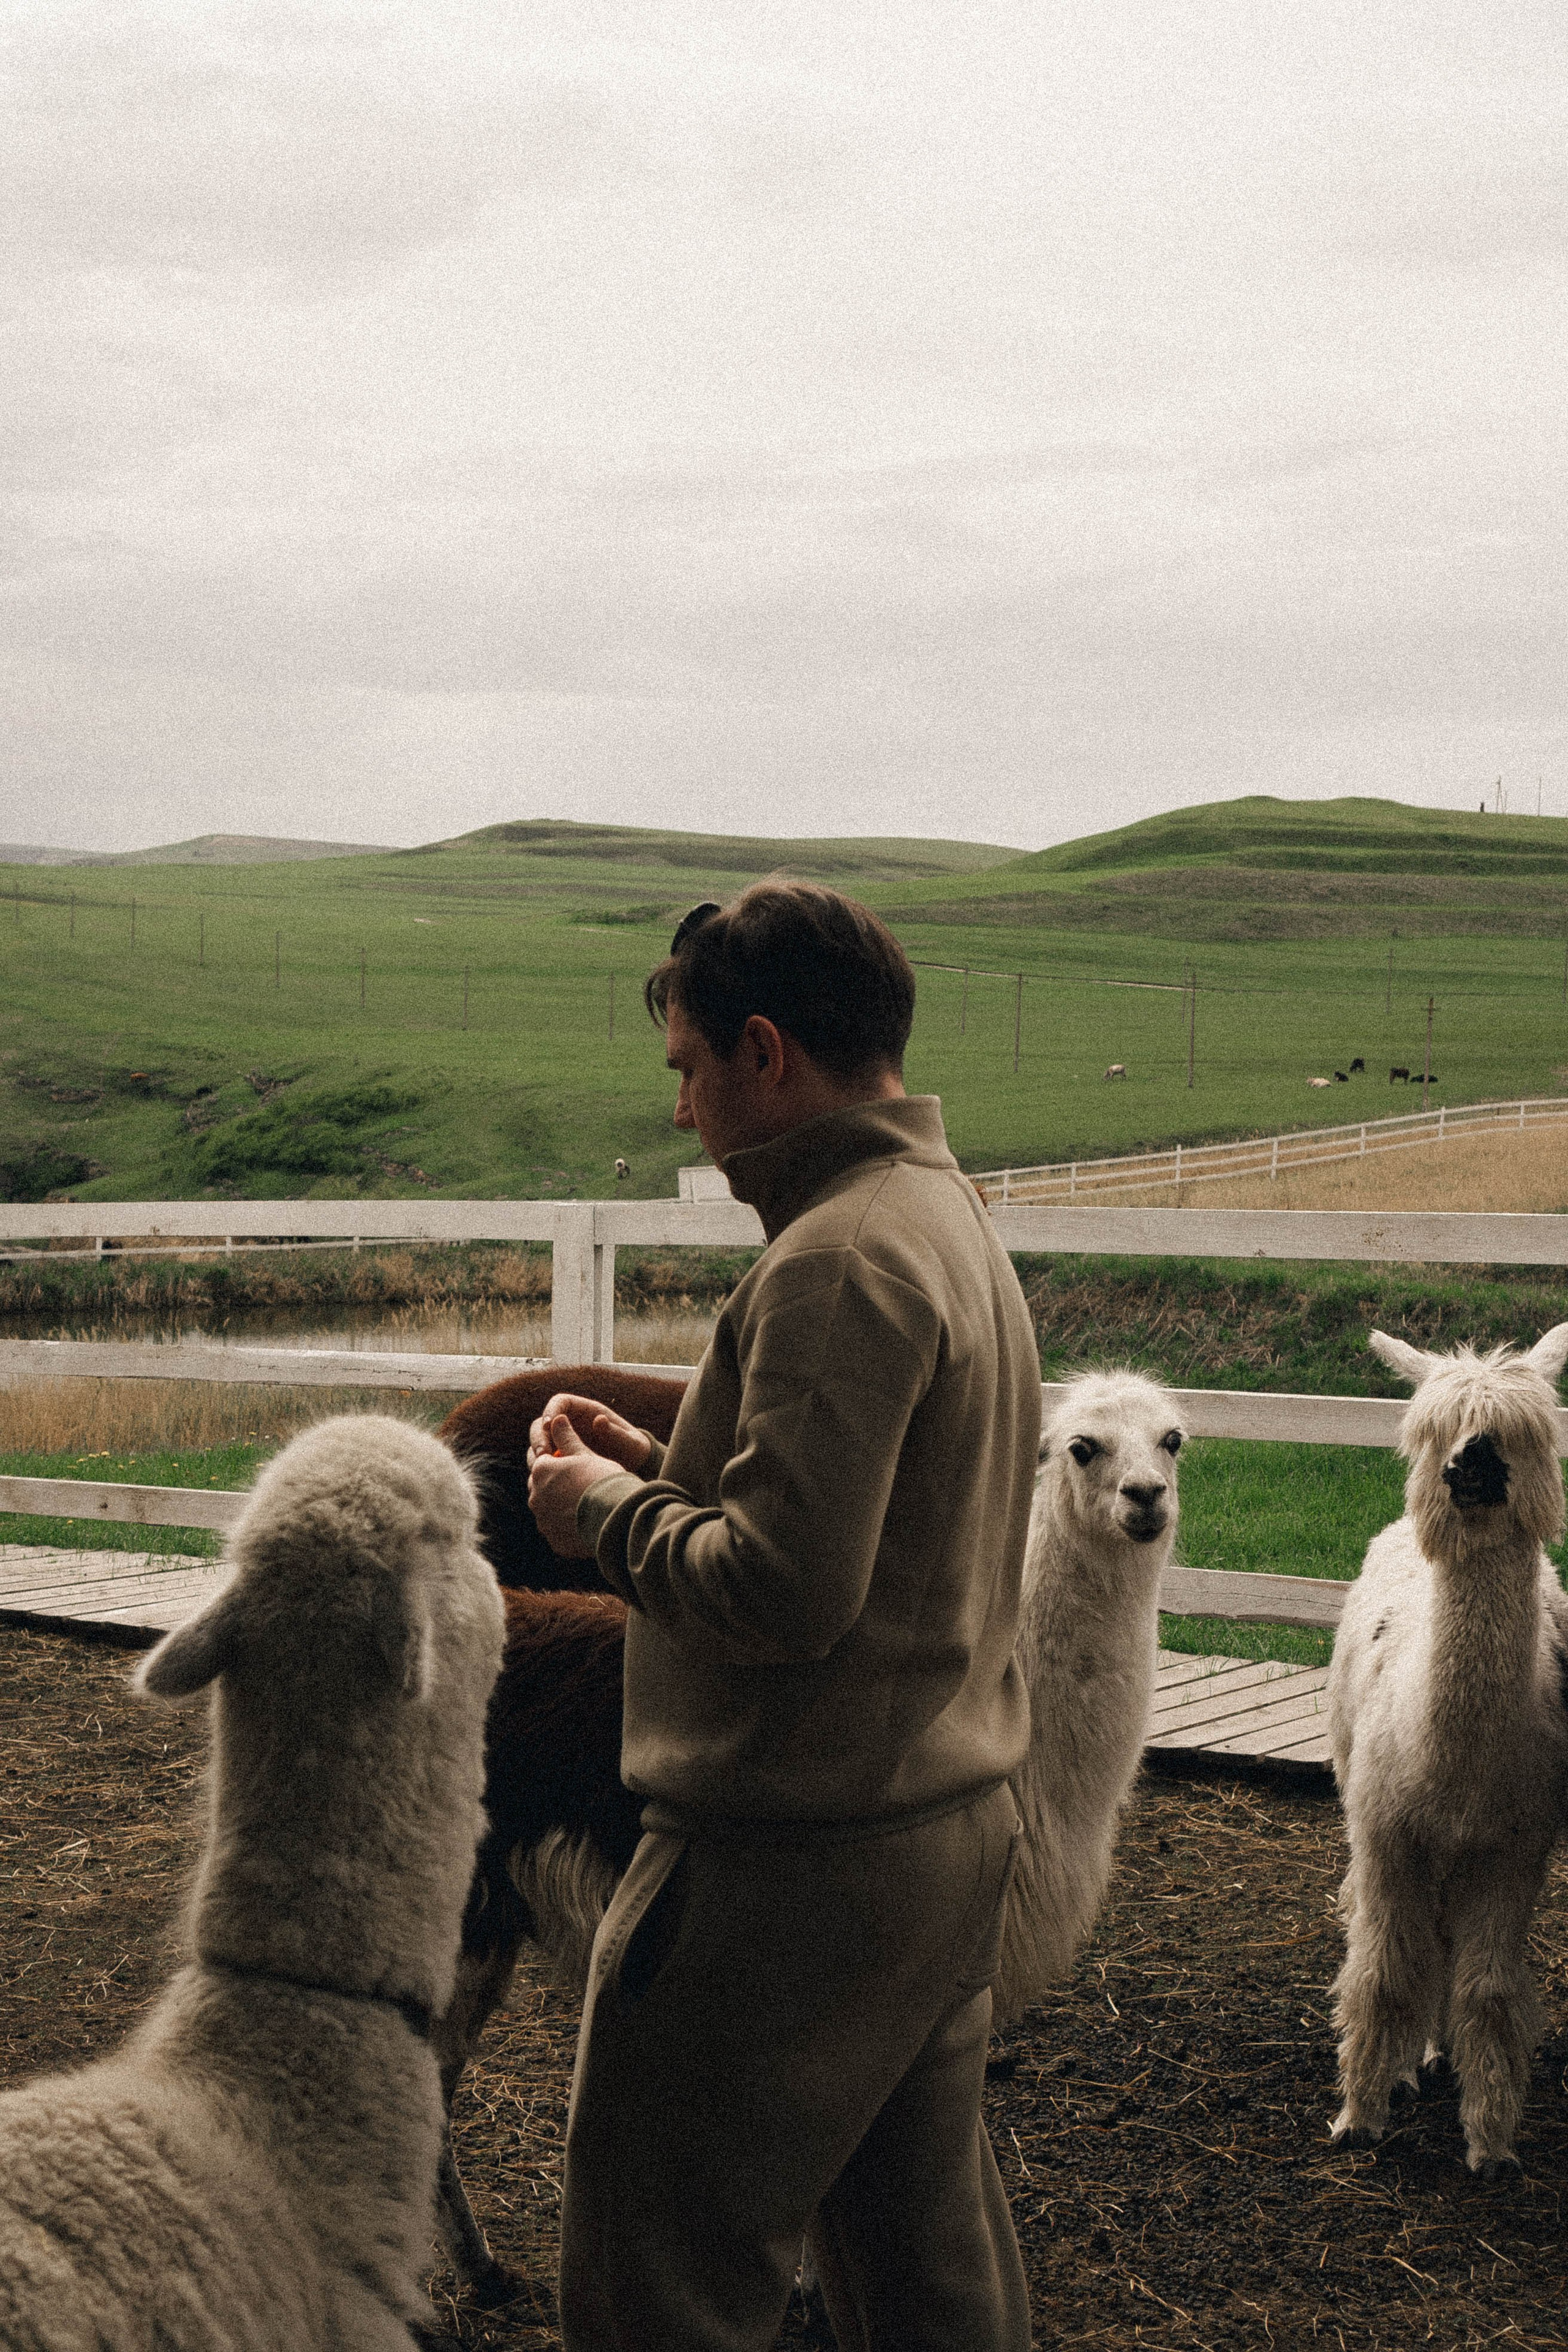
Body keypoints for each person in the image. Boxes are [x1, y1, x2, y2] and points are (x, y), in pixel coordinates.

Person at [528, 882, 1040, 2351]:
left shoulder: (833, 1260)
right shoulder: (938, 1217)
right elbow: (875, 1521)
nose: (682, 1109)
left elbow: (780, 1591)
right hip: (933, 1843)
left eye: (686, 1068)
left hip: (787, 1874)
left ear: (764, 1052)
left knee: (663, 2280)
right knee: (924, 2280)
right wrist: (661, 1467)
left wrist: (596, 1519)